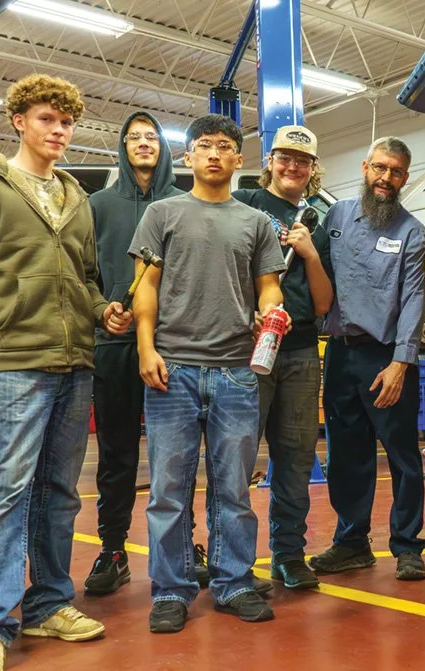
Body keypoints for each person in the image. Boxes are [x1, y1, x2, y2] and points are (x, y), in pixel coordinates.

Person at [0, 74, 131, 671]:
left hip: (75, 362)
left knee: (60, 493)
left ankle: (47, 605)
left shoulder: (75, 196)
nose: (59, 131)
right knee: (5, 493)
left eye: (66, 123)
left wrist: (104, 312)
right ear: (19, 120)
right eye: (47, 119)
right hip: (15, 360)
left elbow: (83, 279)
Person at [131, 114, 286, 632]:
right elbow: (144, 288)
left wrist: (270, 307)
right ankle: (170, 591)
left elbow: (268, 285)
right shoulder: (161, 213)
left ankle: (234, 582)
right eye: (204, 146)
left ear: (238, 159)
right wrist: (145, 348)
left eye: (225, 146)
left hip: (236, 373)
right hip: (171, 369)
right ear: (189, 156)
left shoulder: (256, 222)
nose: (215, 154)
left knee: (233, 488)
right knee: (168, 490)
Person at [308, 137, 425, 582]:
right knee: (346, 454)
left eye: (396, 171)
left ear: (404, 177)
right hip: (340, 354)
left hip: (386, 359)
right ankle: (352, 542)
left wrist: (401, 363)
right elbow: (311, 269)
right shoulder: (336, 216)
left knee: (402, 456)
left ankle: (407, 545)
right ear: (365, 167)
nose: (386, 178)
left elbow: (414, 298)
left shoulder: (412, 231)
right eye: (380, 168)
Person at [84, 111, 186, 595]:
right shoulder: (98, 205)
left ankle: (183, 544)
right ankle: (113, 549)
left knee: (177, 456)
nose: (143, 144)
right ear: (123, 149)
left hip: (175, 345)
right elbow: (81, 272)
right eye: (134, 138)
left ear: (163, 148)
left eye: (152, 138)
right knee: (117, 454)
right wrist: (104, 310)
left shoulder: (184, 204)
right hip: (115, 344)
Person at [232, 125, 332, 590]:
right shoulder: (246, 205)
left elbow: (324, 302)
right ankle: (231, 560)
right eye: (285, 158)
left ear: (313, 169)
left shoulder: (319, 219)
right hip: (246, 350)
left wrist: (310, 254)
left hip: (301, 353)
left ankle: (289, 556)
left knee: (294, 459)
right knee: (236, 458)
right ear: (269, 161)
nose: (293, 167)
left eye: (303, 161)